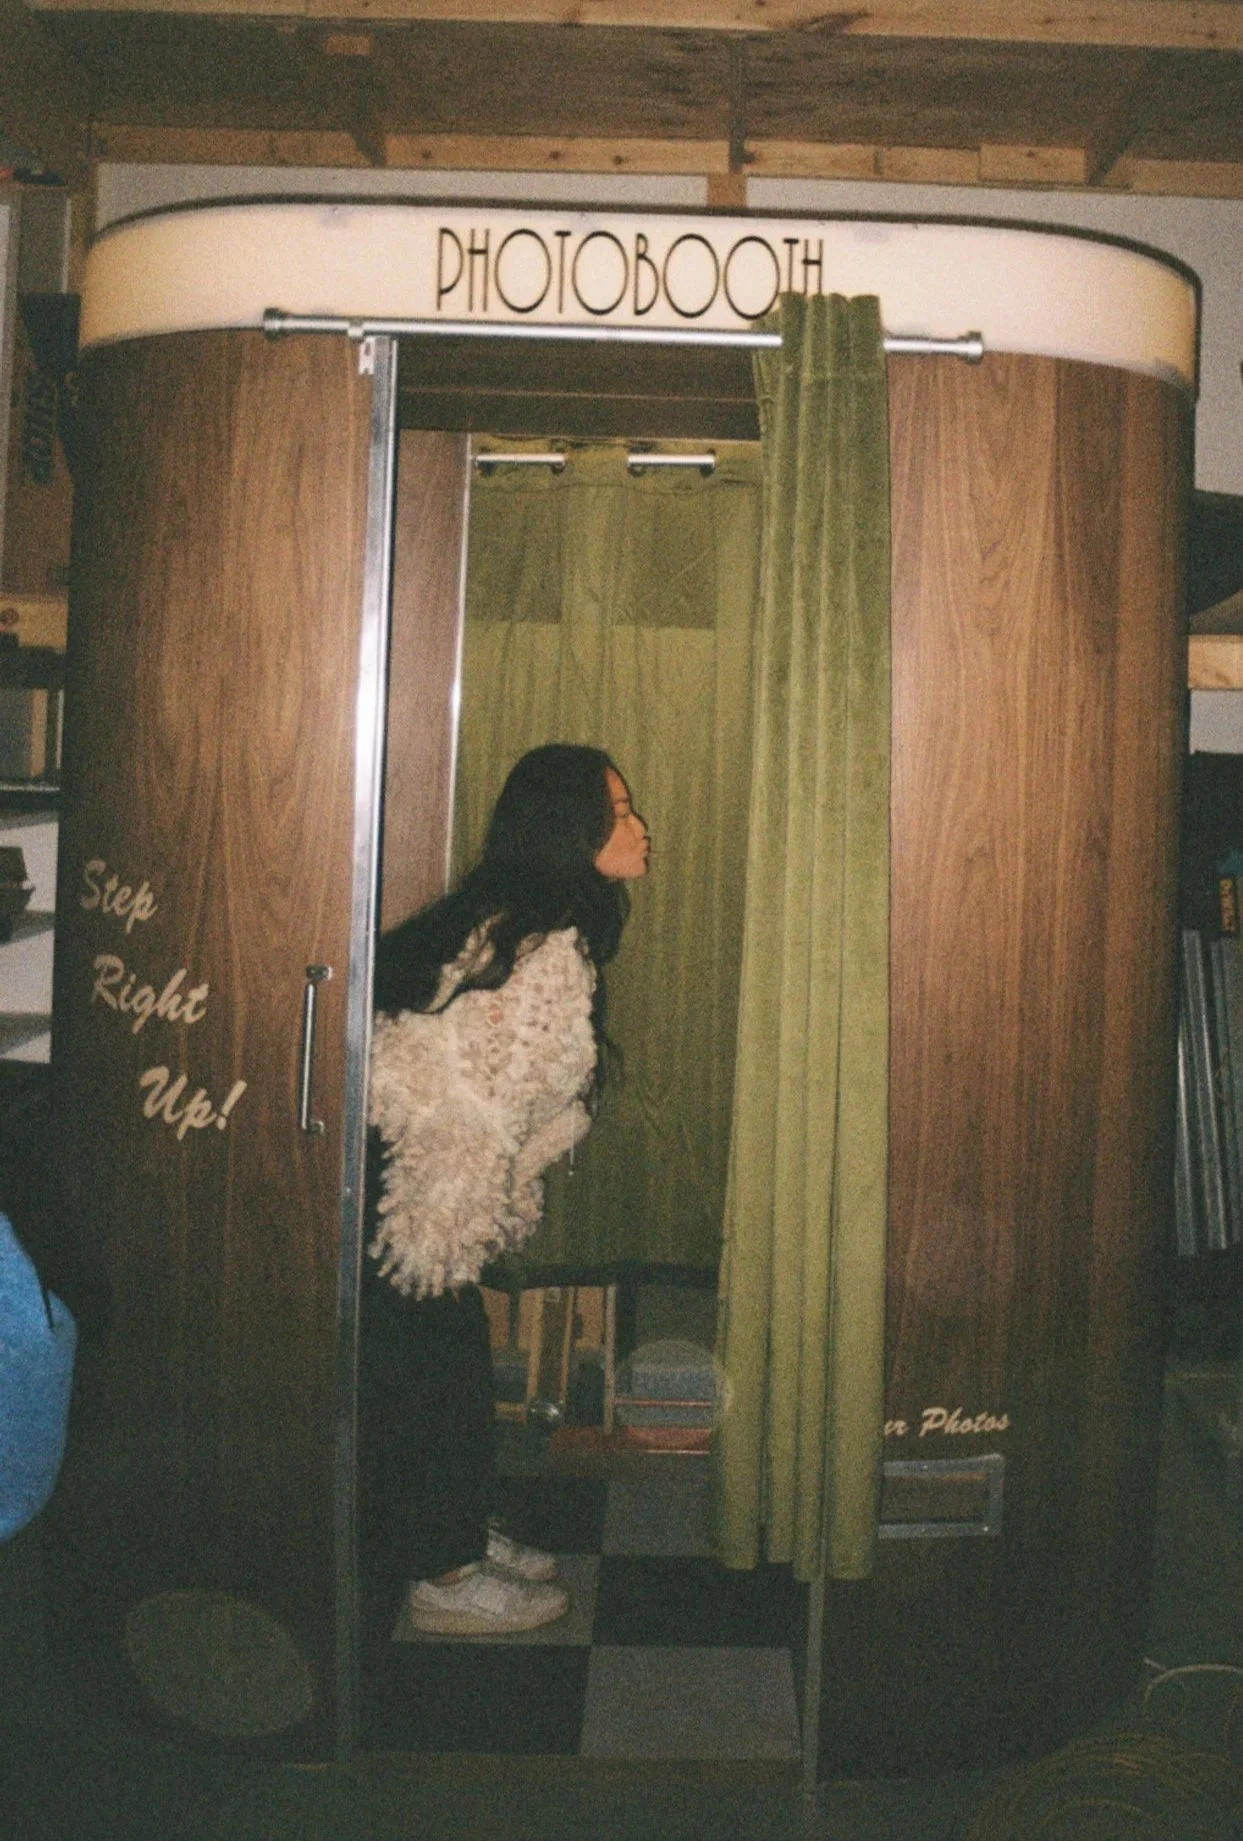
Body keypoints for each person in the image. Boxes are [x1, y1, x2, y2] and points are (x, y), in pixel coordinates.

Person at [360, 744, 650, 1638]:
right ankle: (441, 1574)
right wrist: (437, 1241)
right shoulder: (534, 947)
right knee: (431, 1372)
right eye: (620, 812)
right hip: (409, 1192)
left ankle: (449, 1536)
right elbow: (470, 1111)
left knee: (439, 1361)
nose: (641, 828)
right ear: (573, 830)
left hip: (410, 1178)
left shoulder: (527, 920)